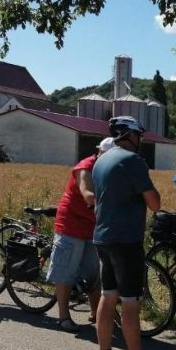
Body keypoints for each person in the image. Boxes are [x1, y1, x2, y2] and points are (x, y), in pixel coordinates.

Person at [91, 116, 169, 350]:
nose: (141, 141)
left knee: (107, 295)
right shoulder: (132, 161)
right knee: (130, 302)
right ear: (130, 135)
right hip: (126, 240)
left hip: (103, 237)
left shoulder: (101, 161)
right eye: (139, 136)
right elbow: (155, 203)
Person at [46, 137, 115, 331]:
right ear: (98, 152)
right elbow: (87, 193)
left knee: (94, 274)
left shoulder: (110, 170)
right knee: (66, 271)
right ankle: (63, 316)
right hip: (72, 223)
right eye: (105, 155)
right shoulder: (85, 166)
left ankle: (97, 314)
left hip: (93, 227)